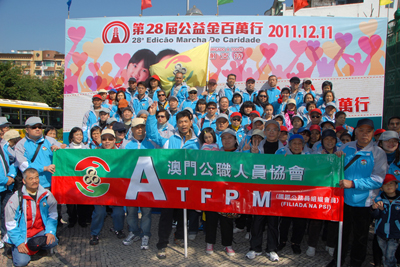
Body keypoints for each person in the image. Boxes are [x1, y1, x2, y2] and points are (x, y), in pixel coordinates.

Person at [327, 118, 387, 267]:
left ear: (373, 133)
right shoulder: (346, 147)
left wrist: (353, 184)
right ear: (356, 132)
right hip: (344, 199)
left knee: (360, 237)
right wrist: (336, 158)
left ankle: (356, 262)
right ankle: (337, 260)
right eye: (361, 130)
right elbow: (336, 168)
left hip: (364, 201)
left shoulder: (378, 153)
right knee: (341, 233)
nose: (364, 134)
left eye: (368, 131)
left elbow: (377, 180)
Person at [146, 103, 199, 259]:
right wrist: (151, 116)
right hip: (170, 184)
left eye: (185, 121)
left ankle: (179, 237)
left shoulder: (198, 141)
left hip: (188, 184)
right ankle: (162, 244)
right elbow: (153, 135)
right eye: (180, 122)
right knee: (166, 215)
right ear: (176, 123)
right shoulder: (170, 139)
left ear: (191, 122)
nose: (183, 124)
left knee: (184, 213)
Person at [4, 168, 58, 267]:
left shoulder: (47, 195)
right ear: (24, 181)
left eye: (36, 177)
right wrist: (19, 242)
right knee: (21, 262)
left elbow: (53, 215)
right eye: (31, 178)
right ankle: (13, 249)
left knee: (53, 241)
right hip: (23, 235)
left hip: (39, 231)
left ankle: (37, 248)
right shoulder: (16, 199)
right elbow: (10, 223)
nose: (35, 181)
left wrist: (50, 231)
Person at [246, 120, 282, 262]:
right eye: (269, 129)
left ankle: (272, 249)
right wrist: (253, 155)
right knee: (257, 220)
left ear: (279, 133)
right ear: (265, 132)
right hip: (259, 189)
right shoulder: (257, 147)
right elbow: (248, 168)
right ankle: (255, 248)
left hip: (276, 189)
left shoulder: (285, 150)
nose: (271, 132)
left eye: (275, 130)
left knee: (273, 221)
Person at [121, 118, 157, 250]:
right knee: (131, 211)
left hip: (148, 184)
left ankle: (146, 234)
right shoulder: (126, 145)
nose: (140, 129)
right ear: (132, 129)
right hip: (131, 184)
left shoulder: (151, 144)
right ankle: (134, 232)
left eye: (142, 126)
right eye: (137, 127)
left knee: (146, 212)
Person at [307, 129, 340, 257]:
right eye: (327, 139)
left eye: (332, 139)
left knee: (333, 219)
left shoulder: (340, 153)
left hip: (335, 191)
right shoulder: (316, 153)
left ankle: (330, 245)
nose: (329, 142)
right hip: (319, 191)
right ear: (322, 141)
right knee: (316, 219)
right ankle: (311, 245)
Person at [205, 128, 238, 257]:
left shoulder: (241, 153)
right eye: (224, 138)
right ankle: (209, 242)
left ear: (235, 140)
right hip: (215, 191)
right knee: (211, 218)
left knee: (227, 221)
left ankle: (227, 244)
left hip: (231, 193)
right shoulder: (215, 153)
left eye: (230, 138)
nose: (227, 140)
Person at [90, 129, 126, 246]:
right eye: (104, 139)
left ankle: (118, 228)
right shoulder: (95, 152)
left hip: (115, 189)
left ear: (114, 140)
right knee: (99, 212)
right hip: (100, 188)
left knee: (119, 213)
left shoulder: (121, 153)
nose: (107, 141)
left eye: (110, 139)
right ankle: (95, 233)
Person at [15, 117, 61, 189]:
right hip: (33, 186)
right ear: (27, 130)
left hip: (53, 184)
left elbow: (64, 149)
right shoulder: (20, 144)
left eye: (39, 127)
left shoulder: (50, 140)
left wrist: (58, 148)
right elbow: (24, 166)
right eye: (34, 127)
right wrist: (44, 168)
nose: (37, 129)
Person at [66, 127, 92, 228]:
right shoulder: (66, 149)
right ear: (72, 136)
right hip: (71, 178)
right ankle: (72, 219)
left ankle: (82, 219)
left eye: (81, 134)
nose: (79, 136)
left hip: (83, 178)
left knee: (82, 200)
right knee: (71, 202)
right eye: (77, 134)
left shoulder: (87, 148)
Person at [372, 174, 400, 267]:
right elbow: (375, 216)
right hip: (381, 233)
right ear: (381, 188)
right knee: (385, 254)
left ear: (396, 186)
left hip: (395, 234)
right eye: (386, 184)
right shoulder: (380, 200)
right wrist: (376, 209)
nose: (389, 186)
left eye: (392, 183)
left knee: (390, 255)